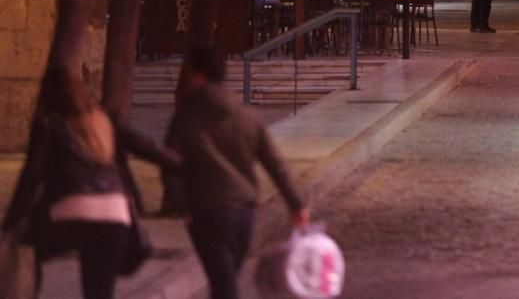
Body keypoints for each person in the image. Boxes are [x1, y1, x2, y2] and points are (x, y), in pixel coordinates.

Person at [1, 67, 182, 299]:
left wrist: (10, 225)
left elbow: (31, 177)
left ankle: (26, 291)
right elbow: (149, 148)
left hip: (69, 214)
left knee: (27, 244)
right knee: (99, 291)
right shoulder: (105, 119)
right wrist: (188, 166)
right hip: (116, 216)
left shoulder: (48, 125)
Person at [167, 48, 308, 299]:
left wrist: (182, 206)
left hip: (206, 210)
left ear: (197, 76)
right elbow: (276, 165)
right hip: (243, 211)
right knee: (225, 278)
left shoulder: (186, 118)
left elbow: (171, 164)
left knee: (223, 283)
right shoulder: (248, 117)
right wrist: (296, 204)